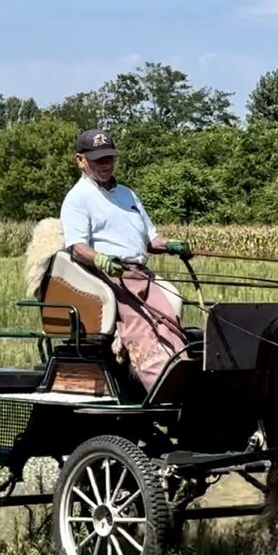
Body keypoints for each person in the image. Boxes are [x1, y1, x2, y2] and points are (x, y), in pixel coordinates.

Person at [60, 128, 193, 393]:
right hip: (109, 276)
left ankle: (183, 372)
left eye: (109, 158)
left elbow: (149, 241)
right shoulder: (77, 199)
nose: (105, 164)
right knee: (141, 324)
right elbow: (77, 248)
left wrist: (172, 246)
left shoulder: (128, 195)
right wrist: (101, 260)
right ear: (80, 159)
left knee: (169, 320)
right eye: (98, 159)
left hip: (141, 273)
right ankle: (160, 385)